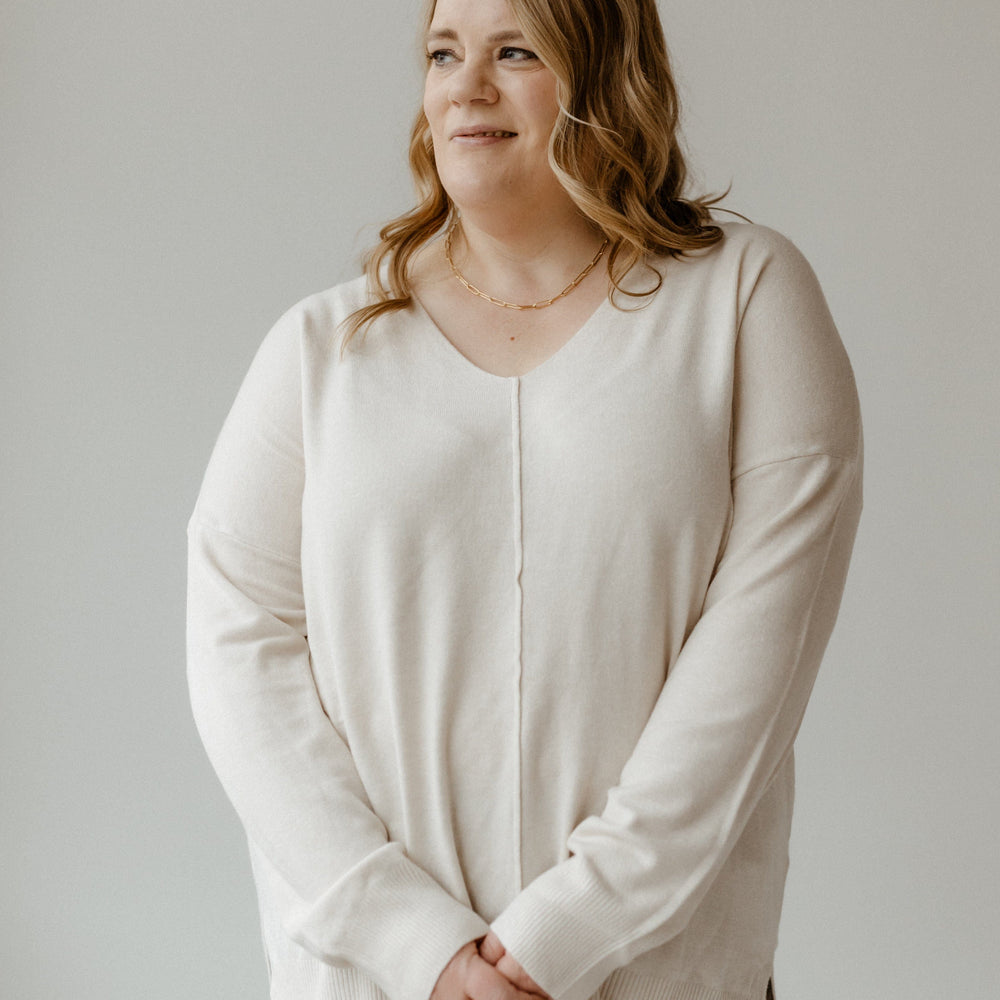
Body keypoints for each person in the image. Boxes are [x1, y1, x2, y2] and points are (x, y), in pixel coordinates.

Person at [185, 0, 862, 998]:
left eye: (514, 51)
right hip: (378, 980)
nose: (466, 84)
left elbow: (756, 659)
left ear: (605, 72)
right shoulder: (322, 349)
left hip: (658, 972)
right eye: (442, 53)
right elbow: (236, 652)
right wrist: (417, 946)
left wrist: (562, 938)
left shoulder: (745, 301)